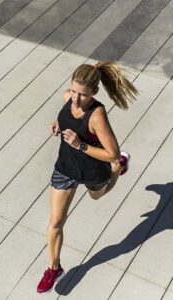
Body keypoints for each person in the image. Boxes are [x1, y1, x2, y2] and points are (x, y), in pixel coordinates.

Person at [37, 61, 139, 294]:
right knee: (55, 222)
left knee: (98, 195)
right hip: (65, 167)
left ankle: (118, 168)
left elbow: (111, 151)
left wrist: (80, 144)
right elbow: (65, 116)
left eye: (82, 94)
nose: (75, 98)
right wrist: (57, 124)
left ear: (94, 92)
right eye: (73, 91)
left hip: (93, 169)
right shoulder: (68, 98)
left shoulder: (97, 115)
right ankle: (54, 268)